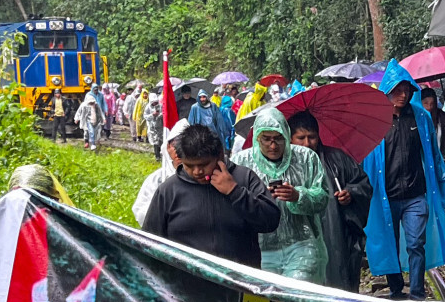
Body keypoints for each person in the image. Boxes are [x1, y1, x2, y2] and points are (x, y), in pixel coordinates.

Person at [365, 62, 445, 298]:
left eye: (407, 90)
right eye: (397, 90)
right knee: (389, 244)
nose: (403, 95)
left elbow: (433, 156)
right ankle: (395, 289)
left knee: (416, 244)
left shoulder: (421, 117)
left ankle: (416, 293)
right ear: (387, 90)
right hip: (387, 196)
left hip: (416, 195)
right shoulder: (376, 121)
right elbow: (367, 160)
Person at [139, 122, 282, 266]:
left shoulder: (244, 178)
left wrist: (235, 192)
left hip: (238, 282)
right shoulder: (169, 190)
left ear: (219, 155)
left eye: (203, 165)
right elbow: (150, 241)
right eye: (189, 166)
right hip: (185, 282)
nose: (197, 172)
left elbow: (270, 222)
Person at [236, 106, 330, 283]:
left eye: (278, 139)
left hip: (301, 244)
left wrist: (298, 196)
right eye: (266, 139)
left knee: (297, 294)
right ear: (257, 137)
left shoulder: (306, 158)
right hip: (260, 248)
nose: (273, 145)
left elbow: (323, 197)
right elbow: (232, 201)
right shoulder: (241, 162)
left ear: (286, 135)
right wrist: (257, 202)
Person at [289, 110, 373, 294]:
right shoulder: (284, 166)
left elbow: (363, 183)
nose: (307, 143)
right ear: (289, 138)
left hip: (336, 235)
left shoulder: (337, 159)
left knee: (337, 280)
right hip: (297, 238)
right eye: (300, 137)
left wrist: (350, 193)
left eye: (311, 137)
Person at [143, 92, 164, 161]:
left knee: (161, 140)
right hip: (152, 127)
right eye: (153, 102)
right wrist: (152, 115)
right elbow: (145, 116)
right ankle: (157, 156)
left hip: (160, 126)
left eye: (156, 102)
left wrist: (160, 115)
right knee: (155, 141)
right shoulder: (147, 107)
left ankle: (161, 154)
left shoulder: (160, 106)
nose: (155, 104)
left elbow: (164, 113)